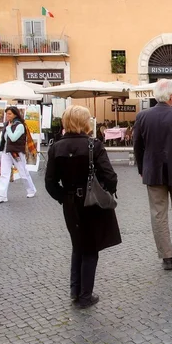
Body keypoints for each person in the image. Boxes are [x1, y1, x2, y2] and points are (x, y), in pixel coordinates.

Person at [45, 105, 120, 309]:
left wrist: (64, 197)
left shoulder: (55, 147)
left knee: (78, 244)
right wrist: (105, 190)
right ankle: (85, 295)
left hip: (70, 202)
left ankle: (75, 290)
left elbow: (50, 183)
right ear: (84, 122)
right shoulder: (93, 145)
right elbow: (110, 176)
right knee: (90, 248)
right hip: (90, 201)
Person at [133, 79, 172, 271]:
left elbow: (138, 147)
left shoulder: (142, 117)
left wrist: (143, 169)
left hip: (153, 171)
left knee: (158, 213)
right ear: (171, 97)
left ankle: (167, 256)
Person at [0, 106, 37, 203]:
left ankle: (31, 190)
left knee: (23, 172)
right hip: (6, 152)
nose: (7, 116)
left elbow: (13, 138)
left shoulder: (20, 125)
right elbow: (4, 139)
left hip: (16, 152)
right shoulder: (7, 124)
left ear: (15, 114)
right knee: (4, 174)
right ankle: (1, 195)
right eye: (7, 114)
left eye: (10, 114)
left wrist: (8, 128)